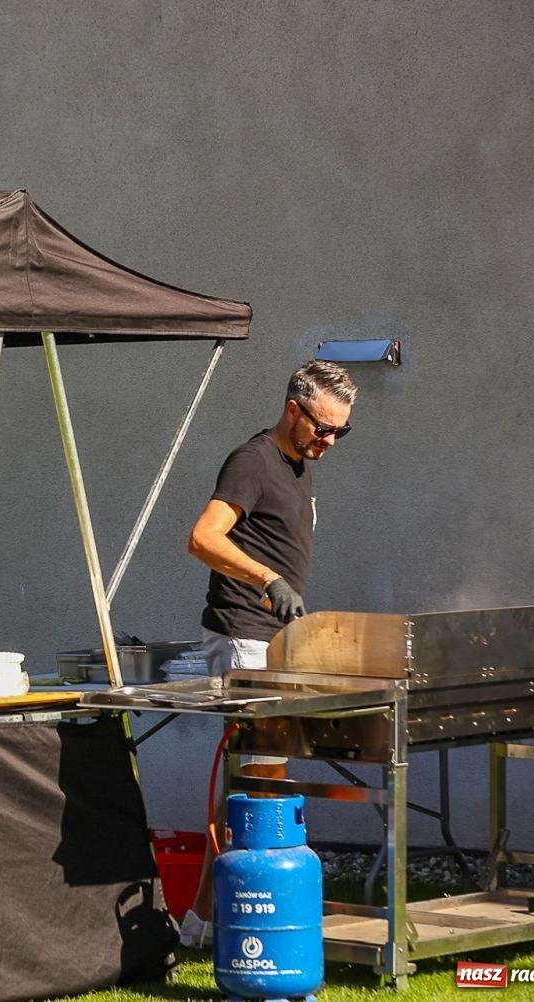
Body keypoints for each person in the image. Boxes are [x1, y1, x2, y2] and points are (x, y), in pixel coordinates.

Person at [177, 359, 357, 947]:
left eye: (341, 432)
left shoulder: (299, 467)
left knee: (256, 782)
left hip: (273, 638)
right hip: (243, 634)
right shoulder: (252, 461)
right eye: (323, 428)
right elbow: (202, 538)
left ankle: (205, 924)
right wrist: (268, 579)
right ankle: (222, 923)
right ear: (293, 410)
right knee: (260, 784)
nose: (330, 441)